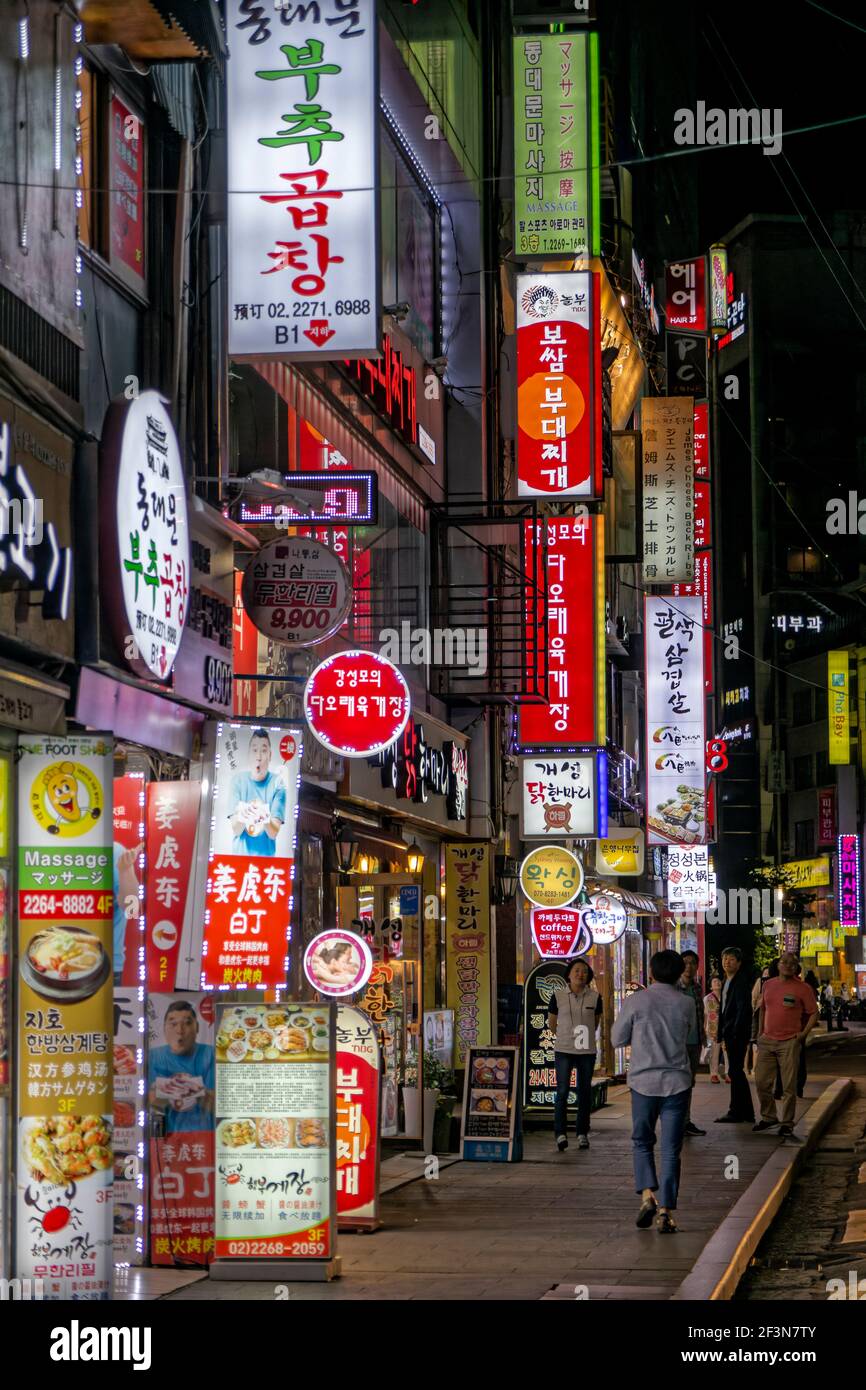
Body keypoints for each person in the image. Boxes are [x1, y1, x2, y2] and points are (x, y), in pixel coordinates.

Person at [611, 949, 695, 1233]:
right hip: (677, 1083)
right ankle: (666, 1212)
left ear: (650, 972)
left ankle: (647, 1195)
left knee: (642, 1141)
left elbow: (616, 1039)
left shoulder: (636, 1001)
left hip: (643, 1083)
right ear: (679, 973)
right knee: (671, 1150)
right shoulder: (686, 1003)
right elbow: (689, 1035)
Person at [753, 952, 819, 1138]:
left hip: (790, 1041)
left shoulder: (803, 988)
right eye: (784, 962)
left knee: (789, 1086)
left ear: (796, 967)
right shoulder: (768, 984)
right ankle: (769, 1117)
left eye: (792, 963)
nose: (788, 965)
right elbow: (763, 1009)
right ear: (778, 965)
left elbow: (814, 1013)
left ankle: (787, 1123)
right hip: (767, 1040)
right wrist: (759, 1034)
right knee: (761, 1082)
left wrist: (803, 1035)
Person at [547, 958, 602, 1152]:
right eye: (577, 970)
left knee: (584, 1092)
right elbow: (552, 1023)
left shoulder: (595, 997)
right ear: (569, 974)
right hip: (564, 1050)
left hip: (586, 1050)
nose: (581, 974)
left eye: (584, 971)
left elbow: (595, 1023)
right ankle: (560, 1133)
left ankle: (582, 1133)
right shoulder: (558, 996)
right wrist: (566, 1036)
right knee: (562, 1091)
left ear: (588, 976)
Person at [150, 1000, 215, 1135]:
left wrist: (196, 1091)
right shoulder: (152, 1056)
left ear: (197, 1028)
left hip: (205, 1138)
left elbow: (222, 1105)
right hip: (166, 1138)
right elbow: (145, 1104)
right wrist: (155, 1097)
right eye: (173, 1024)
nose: (180, 1030)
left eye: (187, 1023)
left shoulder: (211, 1054)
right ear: (164, 1029)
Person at [228, 728, 286, 856]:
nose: (258, 757)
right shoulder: (237, 781)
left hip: (266, 864)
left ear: (270, 755)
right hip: (238, 862)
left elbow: (273, 833)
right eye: (254, 750)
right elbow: (236, 829)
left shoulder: (278, 784)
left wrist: (262, 814)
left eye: (264, 751)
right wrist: (250, 811)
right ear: (249, 754)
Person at [716, 946, 755, 1124]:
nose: (727, 962)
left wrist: (734, 1033)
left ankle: (738, 1111)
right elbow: (724, 1010)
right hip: (730, 1032)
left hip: (736, 1034)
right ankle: (744, 1112)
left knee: (735, 1071)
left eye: (731, 959)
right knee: (735, 1071)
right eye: (725, 958)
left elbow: (742, 1010)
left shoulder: (740, 982)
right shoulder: (727, 980)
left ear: (739, 963)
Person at [677, 950, 706, 1136]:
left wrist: (702, 1036)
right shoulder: (673, 988)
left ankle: (686, 1121)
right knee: (678, 1082)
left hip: (695, 1043)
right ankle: (677, 1121)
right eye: (685, 963)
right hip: (677, 1043)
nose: (689, 967)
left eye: (692, 963)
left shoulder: (696, 988)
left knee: (689, 1082)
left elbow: (700, 1014)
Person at [703, 975, 726, 1084]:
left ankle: (728, 1073)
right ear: (711, 986)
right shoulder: (707, 998)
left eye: (718, 981)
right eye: (714, 981)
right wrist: (704, 1028)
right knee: (714, 1052)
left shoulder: (726, 996)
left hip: (725, 1027)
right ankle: (714, 1074)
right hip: (713, 1028)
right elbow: (705, 1014)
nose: (717, 983)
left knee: (727, 1051)